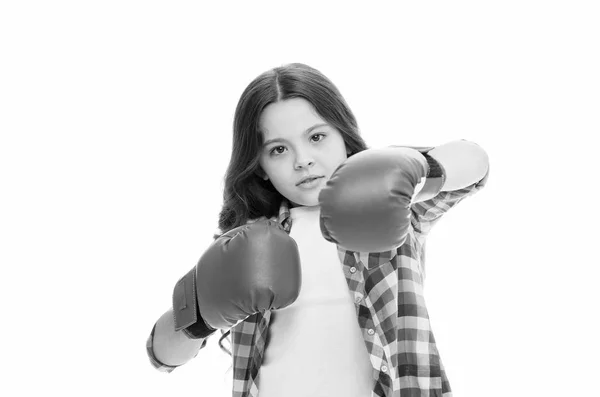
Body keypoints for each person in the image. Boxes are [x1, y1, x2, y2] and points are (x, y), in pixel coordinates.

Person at [146, 62, 490, 397]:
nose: (303, 160)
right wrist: (202, 315)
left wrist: (424, 169)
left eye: (316, 137)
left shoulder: (398, 208)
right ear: (261, 166)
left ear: (344, 136)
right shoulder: (248, 239)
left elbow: (474, 163)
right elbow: (160, 355)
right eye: (278, 149)